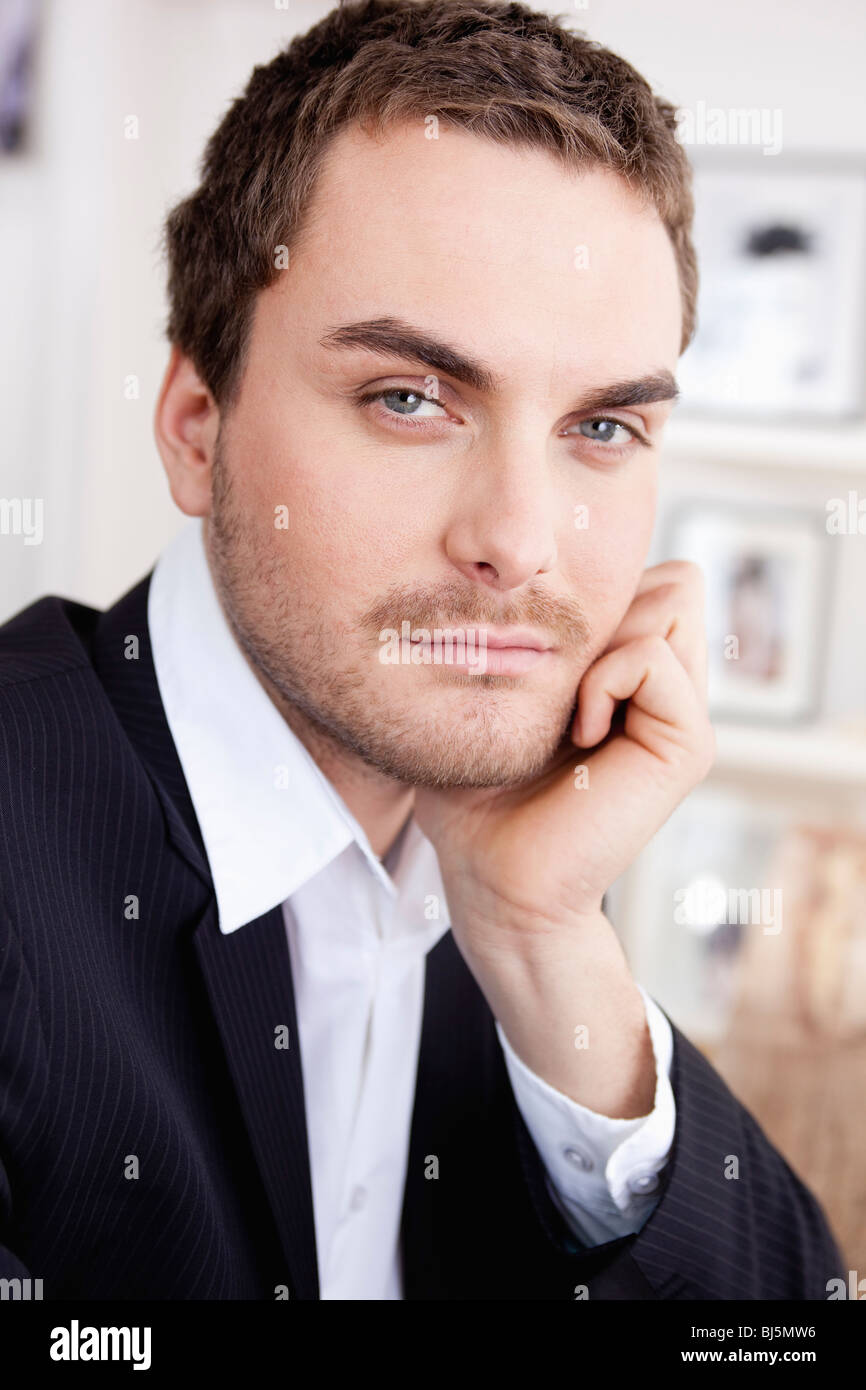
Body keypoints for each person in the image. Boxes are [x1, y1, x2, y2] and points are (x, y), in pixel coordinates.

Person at [0, 0, 843, 1300]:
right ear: (193, 424)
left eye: (601, 427)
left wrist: (542, 935)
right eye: (407, 398)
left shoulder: (513, 852)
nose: (518, 542)